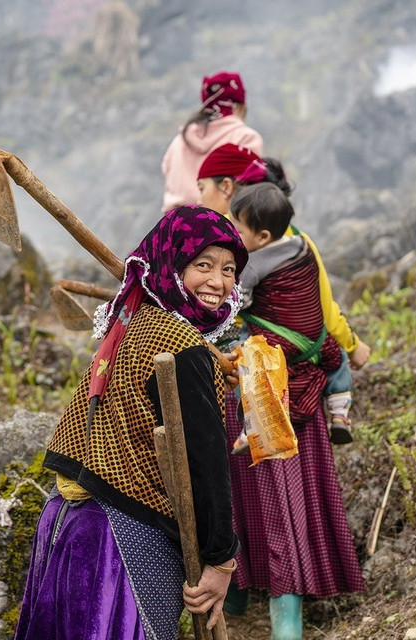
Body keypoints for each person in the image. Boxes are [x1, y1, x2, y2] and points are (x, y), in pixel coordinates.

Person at [13, 206, 249, 640]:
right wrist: (220, 561)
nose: (218, 282)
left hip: (65, 523)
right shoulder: (182, 346)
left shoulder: (135, 321)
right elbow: (205, 464)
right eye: (203, 265)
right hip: (119, 541)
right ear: (171, 266)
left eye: (229, 269)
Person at [196, 146, 366, 640]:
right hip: (298, 376)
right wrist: (347, 348)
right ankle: (250, 597)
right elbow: (327, 316)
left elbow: (227, 311)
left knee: (265, 500)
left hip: (264, 391)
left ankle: (277, 616)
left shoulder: (250, 263)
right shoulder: (301, 247)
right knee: (275, 500)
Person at [196, 143, 371, 442]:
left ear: (228, 188)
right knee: (334, 357)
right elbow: (322, 308)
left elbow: (233, 301)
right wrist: (351, 346)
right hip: (308, 355)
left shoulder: (236, 246)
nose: (199, 197)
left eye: (202, 187)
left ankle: (252, 425)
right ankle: (340, 410)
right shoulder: (301, 242)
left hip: (251, 367)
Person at [161, 71, 264, 213]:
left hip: (174, 226)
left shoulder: (181, 140)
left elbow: (167, 172)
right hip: (218, 225)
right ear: (240, 107)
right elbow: (251, 188)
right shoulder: (245, 138)